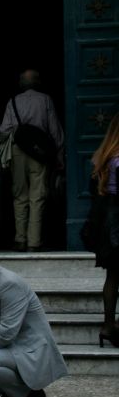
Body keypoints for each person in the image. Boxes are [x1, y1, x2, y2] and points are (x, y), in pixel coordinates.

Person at [0, 246, 68, 397]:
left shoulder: (8, 283)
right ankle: (10, 393)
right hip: (9, 345)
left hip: (28, 347)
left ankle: (31, 396)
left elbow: (7, 332)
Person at [0, 69, 64, 252]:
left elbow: (4, 130)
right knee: (38, 196)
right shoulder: (45, 100)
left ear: (21, 84)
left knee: (19, 196)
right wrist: (59, 155)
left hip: (18, 151)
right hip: (39, 153)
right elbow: (55, 131)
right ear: (38, 82)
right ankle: (34, 242)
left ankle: (20, 239)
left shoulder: (13, 101)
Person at [86, 112, 119, 347]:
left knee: (113, 275)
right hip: (117, 223)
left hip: (108, 223)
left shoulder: (103, 157)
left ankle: (108, 325)